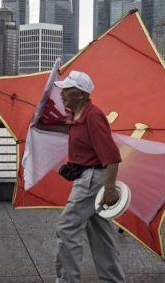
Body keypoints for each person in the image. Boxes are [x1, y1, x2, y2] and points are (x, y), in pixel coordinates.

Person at [35, 70, 125, 282]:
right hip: (90, 178)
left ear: (81, 94)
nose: (62, 94)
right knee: (101, 235)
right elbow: (70, 130)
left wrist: (110, 188)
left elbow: (112, 156)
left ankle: (67, 280)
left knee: (67, 228)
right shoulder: (79, 116)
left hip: (92, 180)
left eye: (67, 90)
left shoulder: (93, 116)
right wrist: (41, 126)